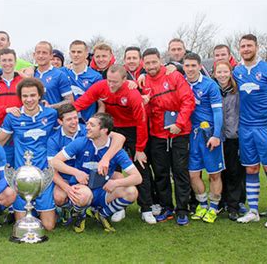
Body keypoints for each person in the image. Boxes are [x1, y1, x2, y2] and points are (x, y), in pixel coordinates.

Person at [74, 65, 155, 224]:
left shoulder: (132, 94)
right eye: (109, 81)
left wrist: (139, 149)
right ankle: (118, 207)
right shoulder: (101, 86)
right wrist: (64, 115)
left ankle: (146, 208)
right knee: (113, 169)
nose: (111, 85)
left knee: (140, 167)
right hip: (112, 129)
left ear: (125, 80)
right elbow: (82, 102)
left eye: (115, 82)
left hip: (133, 129)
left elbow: (142, 122)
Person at [50, 113, 142, 232]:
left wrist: (116, 183)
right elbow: (54, 162)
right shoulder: (81, 142)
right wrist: (76, 172)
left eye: (91, 125)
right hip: (82, 187)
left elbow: (137, 178)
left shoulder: (116, 151)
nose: (86, 127)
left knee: (131, 191)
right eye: (87, 123)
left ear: (104, 130)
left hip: (104, 189)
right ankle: (80, 215)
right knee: (84, 196)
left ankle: (102, 214)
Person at [233, 34, 267, 228]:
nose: (246, 49)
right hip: (245, 129)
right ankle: (253, 210)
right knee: (251, 168)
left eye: (249, 45)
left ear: (257, 47)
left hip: (266, 127)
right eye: (243, 46)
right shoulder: (236, 71)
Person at [142, 48, 195, 225]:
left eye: (153, 62)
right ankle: (167, 208)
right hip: (158, 135)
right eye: (147, 63)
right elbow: (147, 112)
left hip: (179, 133)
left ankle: (182, 209)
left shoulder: (174, 76)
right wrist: (146, 104)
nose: (151, 66)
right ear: (144, 64)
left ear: (160, 61)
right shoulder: (144, 83)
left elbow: (188, 100)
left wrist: (179, 124)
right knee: (161, 173)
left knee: (180, 171)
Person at [0, 78, 58, 231]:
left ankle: (54, 209)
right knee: (22, 226)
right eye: (25, 96)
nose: (29, 99)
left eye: (32, 95)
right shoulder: (13, 117)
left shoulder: (51, 114)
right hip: (22, 177)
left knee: (49, 227)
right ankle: (27, 210)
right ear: (20, 97)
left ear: (40, 96)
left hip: (44, 175)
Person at [183, 53, 224, 224]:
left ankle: (214, 207)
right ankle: (202, 204)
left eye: (193, 65)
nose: (190, 69)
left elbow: (217, 112)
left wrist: (216, 135)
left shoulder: (210, 85)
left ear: (200, 66)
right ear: (183, 67)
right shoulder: (181, 83)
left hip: (209, 136)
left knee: (214, 175)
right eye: (187, 65)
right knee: (193, 174)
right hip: (191, 136)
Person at [213, 60, 246, 221]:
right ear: (214, 73)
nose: (222, 75)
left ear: (230, 72)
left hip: (234, 136)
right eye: (219, 72)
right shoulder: (213, 89)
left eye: (225, 71)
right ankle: (220, 201)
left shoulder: (237, 90)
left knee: (234, 171)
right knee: (219, 172)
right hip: (217, 138)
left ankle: (233, 205)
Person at [60, 40, 103, 123]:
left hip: (86, 123)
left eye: (79, 52)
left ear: (86, 54)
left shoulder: (96, 76)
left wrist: (96, 121)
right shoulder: (61, 73)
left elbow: (101, 104)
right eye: (73, 52)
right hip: (65, 123)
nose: (76, 55)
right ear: (69, 54)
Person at [33, 41, 74, 109]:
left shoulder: (60, 75)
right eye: (38, 52)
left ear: (51, 55)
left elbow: (70, 100)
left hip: (53, 118)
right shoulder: (31, 74)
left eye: (44, 53)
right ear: (34, 55)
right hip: (34, 119)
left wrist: (50, 107)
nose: (40, 56)